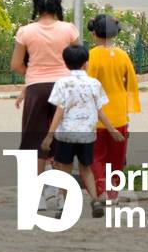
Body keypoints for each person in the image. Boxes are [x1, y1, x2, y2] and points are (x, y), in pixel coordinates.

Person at [42, 44, 124, 219]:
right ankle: (94, 200)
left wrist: (49, 134)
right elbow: (100, 110)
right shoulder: (94, 84)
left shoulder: (62, 83)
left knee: (64, 169)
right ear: (86, 63)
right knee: (86, 168)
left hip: (66, 134)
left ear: (65, 63)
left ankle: (66, 207)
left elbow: (59, 110)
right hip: (87, 134)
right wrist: (112, 130)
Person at [10, 0, 80, 176]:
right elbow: (81, 60)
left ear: (37, 6)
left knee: (35, 141)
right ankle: (60, 192)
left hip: (36, 88)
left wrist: (32, 74)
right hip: (64, 87)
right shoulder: (69, 30)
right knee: (62, 140)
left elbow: (16, 64)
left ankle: (36, 193)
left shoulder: (25, 32)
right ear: (58, 5)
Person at [87, 14, 141, 203]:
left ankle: (100, 191)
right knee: (116, 158)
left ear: (94, 33)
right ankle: (113, 194)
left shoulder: (92, 56)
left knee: (95, 156)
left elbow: (88, 86)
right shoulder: (123, 55)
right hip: (119, 114)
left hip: (97, 116)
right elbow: (132, 83)